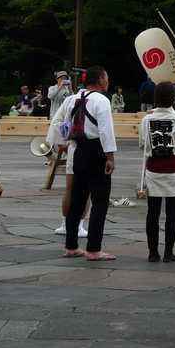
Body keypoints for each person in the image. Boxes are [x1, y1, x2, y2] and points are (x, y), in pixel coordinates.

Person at [59, 66, 116, 261]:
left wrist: (67, 143)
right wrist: (110, 157)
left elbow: (64, 125)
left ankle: (71, 245)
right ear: (100, 79)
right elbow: (105, 131)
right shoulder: (102, 100)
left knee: (77, 198)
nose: (107, 81)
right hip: (96, 151)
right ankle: (93, 248)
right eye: (106, 77)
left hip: (78, 150)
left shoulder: (72, 99)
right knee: (100, 201)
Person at [140, 81, 175, 262]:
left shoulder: (147, 119)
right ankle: (168, 252)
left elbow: (143, 144)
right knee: (173, 213)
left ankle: (152, 252)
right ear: (174, 98)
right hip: (174, 168)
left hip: (154, 168)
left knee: (152, 212)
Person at [45, 93, 89, 240]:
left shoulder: (70, 99)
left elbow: (57, 121)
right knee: (86, 189)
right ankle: (79, 225)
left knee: (70, 187)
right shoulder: (100, 99)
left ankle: (65, 224)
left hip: (71, 146)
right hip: (88, 147)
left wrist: (60, 142)